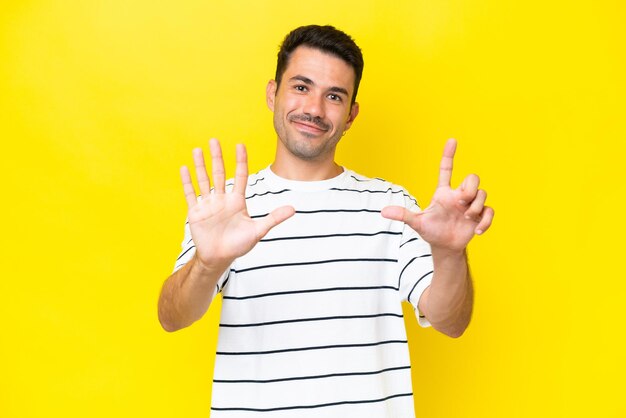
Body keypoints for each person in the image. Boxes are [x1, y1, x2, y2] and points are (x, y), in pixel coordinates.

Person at [158, 25, 493, 417]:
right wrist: (207, 263)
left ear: (351, 115)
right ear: (272, 93)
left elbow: (452, 322)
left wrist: (450, 254)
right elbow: (171, 317)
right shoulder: (226, 206)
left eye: (333, 96)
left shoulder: (392, 206)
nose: (314, 109)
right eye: (301, 87)